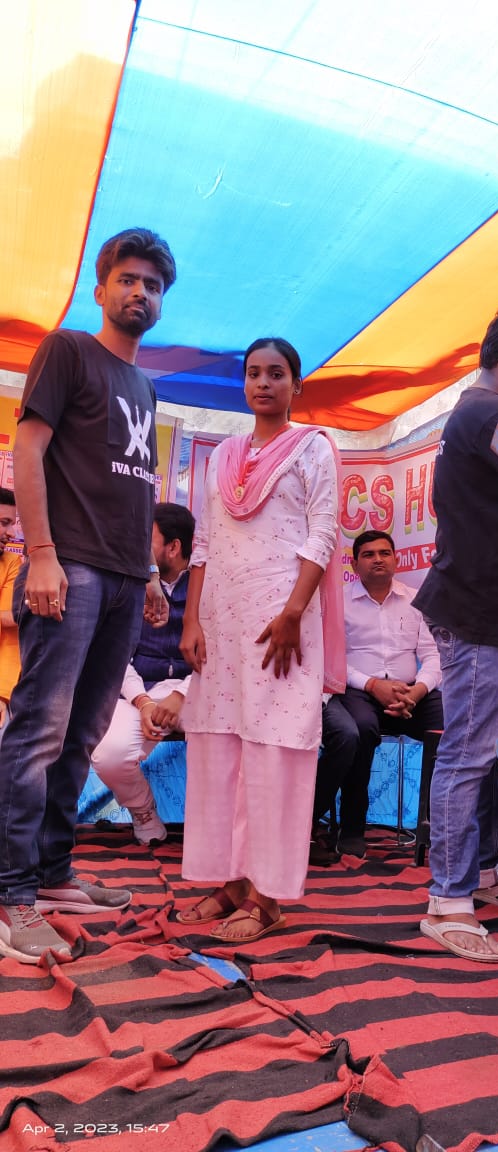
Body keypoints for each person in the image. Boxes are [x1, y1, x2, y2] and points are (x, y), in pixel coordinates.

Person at [0, 227, 177, 964]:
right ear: (100, 289)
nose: (140, 293)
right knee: (38, 731)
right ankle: (11, 895)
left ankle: (52, 875)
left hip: (124, 579)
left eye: (153, 285)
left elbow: (137, 489)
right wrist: (41, 555)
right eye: (127, 279)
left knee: (83, 734)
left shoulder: (147, 387)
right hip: (66, 568)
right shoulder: (68, 351)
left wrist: (151, 577)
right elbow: (28, 450)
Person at [178, 337, 346, 943]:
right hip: (222, 622)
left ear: (296, 385)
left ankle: (268, 896)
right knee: (222, 747)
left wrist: (294, 613)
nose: (263, 384)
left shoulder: (313, 447)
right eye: (253, 373)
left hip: (281, 624)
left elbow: (323, 533)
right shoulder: (224, 455)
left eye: (276, 374)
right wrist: (191, 620)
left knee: (274, 750)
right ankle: (230, 883)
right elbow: (202, 543)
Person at [414, 300, 498, 963]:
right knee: (467, 755)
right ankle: (446, 902)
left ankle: (481, 869)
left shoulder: (476, 414)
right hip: (481, 614)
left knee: (486, 752)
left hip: (487, 610)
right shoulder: (490, 414)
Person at [312, 530, 443, 863]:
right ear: (355, 564)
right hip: (359, 692)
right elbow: (331, 659)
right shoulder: (338, 602)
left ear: (396, 560)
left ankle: (443, 829)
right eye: (368, 555)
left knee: (452, 727)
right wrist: (372, 685)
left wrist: (418, 690)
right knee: (358, 731)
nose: (378, 560)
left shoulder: (416, 600)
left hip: (411, 693)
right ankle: (352, 830)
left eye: (385, 553)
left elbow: (433, 655)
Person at [92, 502, 194, 844]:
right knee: (108, 753)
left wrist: (182, 695)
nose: (137, 547)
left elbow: (221, 655)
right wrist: (143, 701)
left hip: (199, 692)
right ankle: (144, 811)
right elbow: (115, 655)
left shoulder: (207, 586)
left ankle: (214, 826)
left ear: (173, 547)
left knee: (225, 743)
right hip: (140, 691)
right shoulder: (129, 585)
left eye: (146, 539)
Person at [0, 487, 22, 727]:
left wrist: (2, 694)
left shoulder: (12, 563)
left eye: (12, 524)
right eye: (3, 523)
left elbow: (10, 623)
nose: (12, 533)